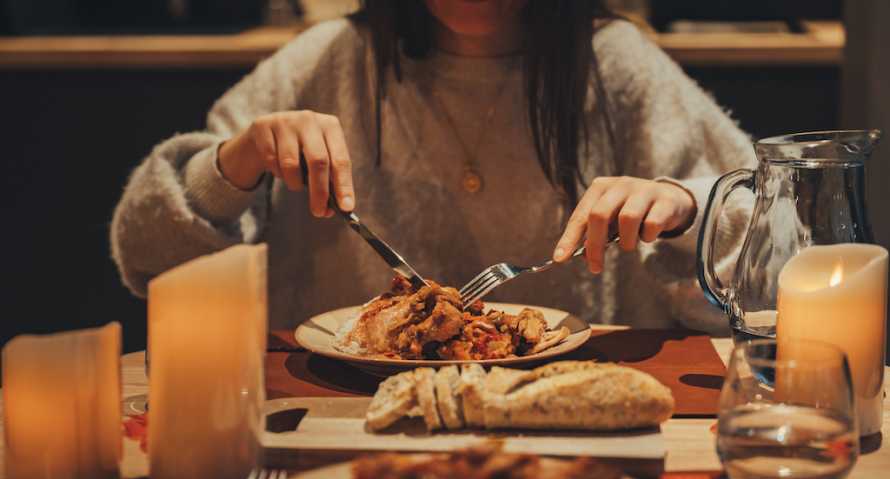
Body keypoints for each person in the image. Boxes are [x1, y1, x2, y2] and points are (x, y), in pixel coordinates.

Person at [111, 0, 753, 333]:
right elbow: (147, 257)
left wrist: (686, 207)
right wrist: (236, 163)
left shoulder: (612, 64)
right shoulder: (333, 59)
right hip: (347, 429)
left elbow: (773, 248)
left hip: (571, 428)